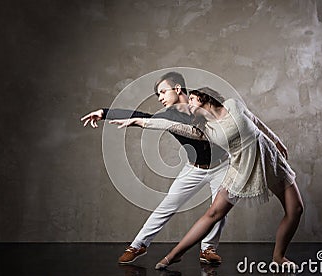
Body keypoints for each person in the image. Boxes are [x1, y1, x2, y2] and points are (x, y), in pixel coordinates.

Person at [111, 87, 304, 270]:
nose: (189, 105)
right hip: (241, 170)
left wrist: (277, 141)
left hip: (269, 159)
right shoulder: (205, 130)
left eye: (192, 100)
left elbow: (256, 121)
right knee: (214, 214)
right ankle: (174, 254)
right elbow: (169, 125)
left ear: (204, 97)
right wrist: (138, 121)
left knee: (295, 209)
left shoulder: (233, 104)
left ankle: (279, 257)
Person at [81, 73, 229, 265]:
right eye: (157, 94)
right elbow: (142, 117)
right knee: (166, 207)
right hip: (194, 168)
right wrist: (104, 112)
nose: (160, 98)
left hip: (222, 166)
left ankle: (207, 248)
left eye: (163, 92)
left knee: (218, 208)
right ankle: (138, 245)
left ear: (177, 89)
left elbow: (225, 116)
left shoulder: (200, 100)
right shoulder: (168, 115)